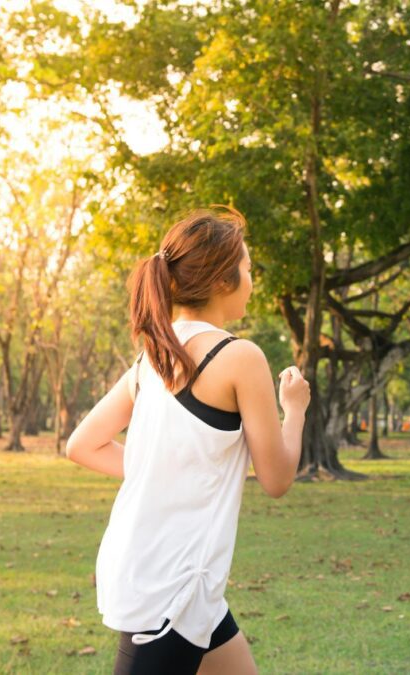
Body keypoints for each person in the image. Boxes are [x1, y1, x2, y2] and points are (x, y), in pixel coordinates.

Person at [65, 205, 310, 674]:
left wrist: (161, 469)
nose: (252, 280)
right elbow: (276, 478)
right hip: (170, 590)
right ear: (223, 280)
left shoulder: (152, 358)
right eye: (248, 269)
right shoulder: (239, 356)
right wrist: (294, 410)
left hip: (183, 582)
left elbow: (84, 444)